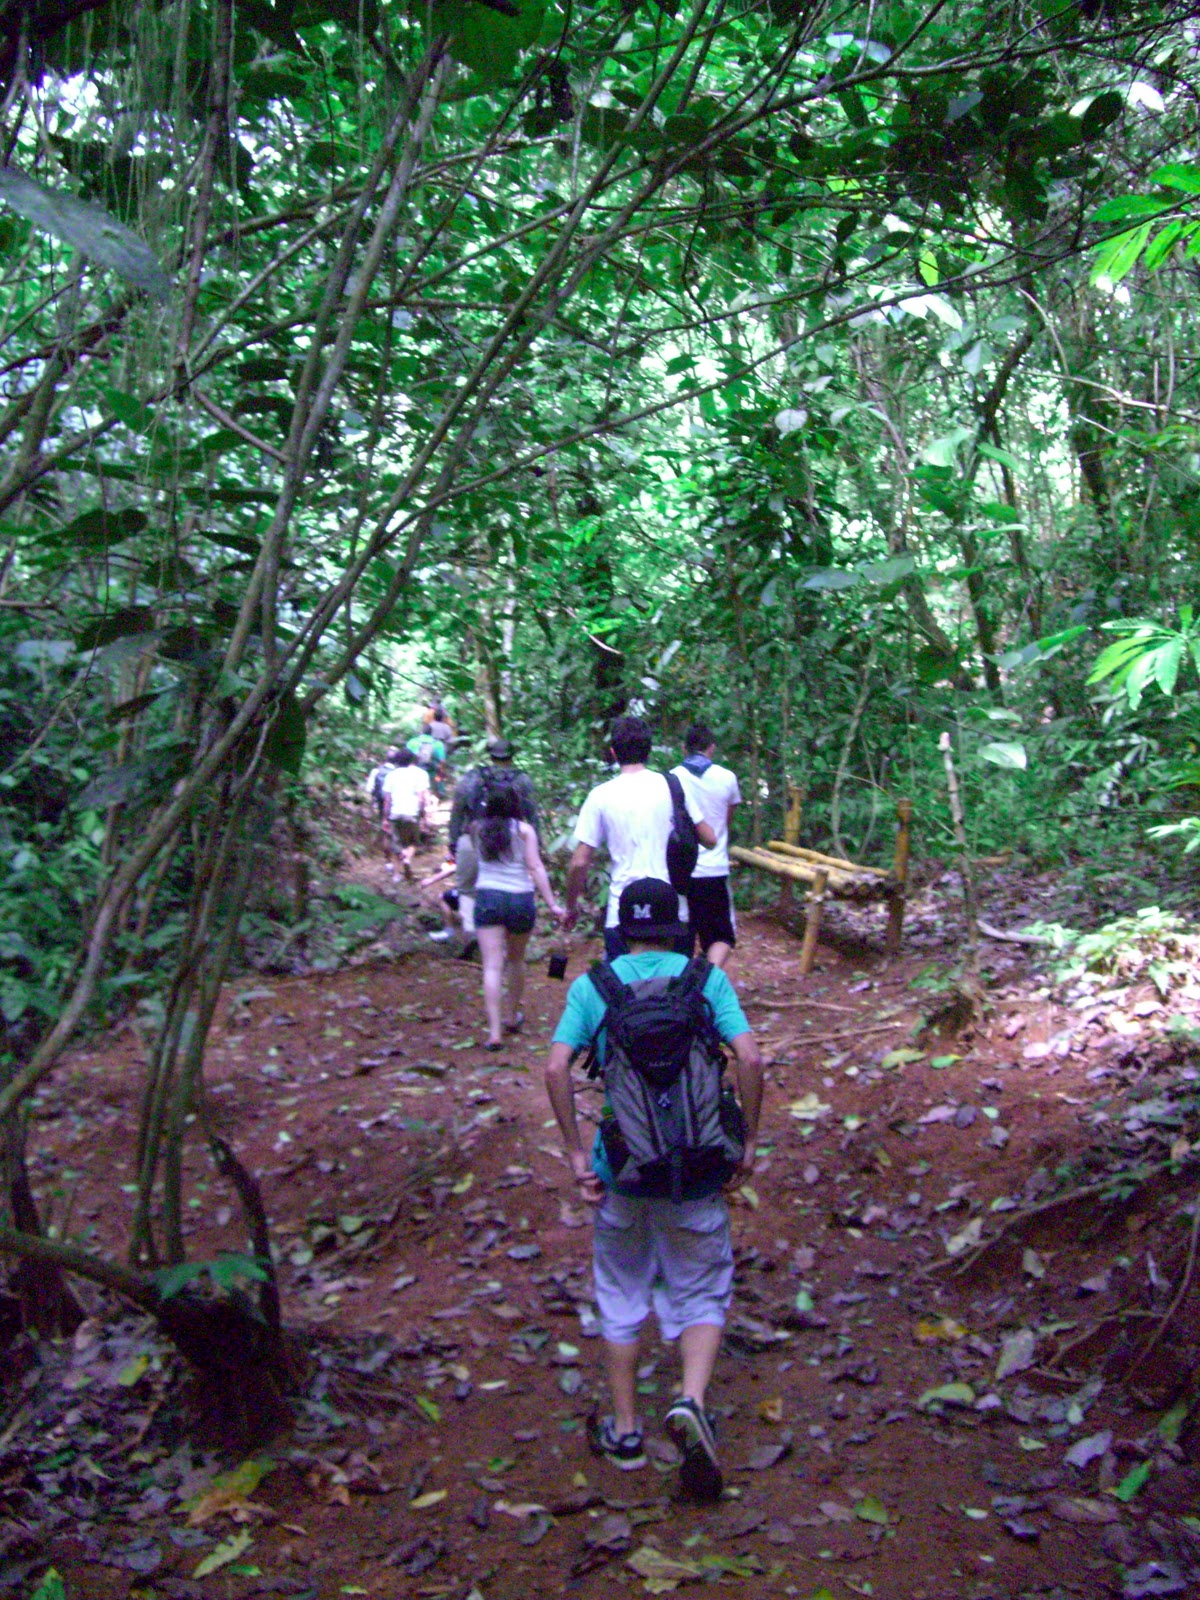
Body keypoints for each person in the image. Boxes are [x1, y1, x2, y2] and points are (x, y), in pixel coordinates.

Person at [545, 877, 763, 1502]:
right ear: (677, 929)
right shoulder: (705, 981)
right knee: (701, 1288)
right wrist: (748, 1142)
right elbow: (751, 1059)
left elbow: (555, 1067)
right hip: (697, 1167)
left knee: (620, 1290)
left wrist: (576, 1153)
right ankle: (690, 1401)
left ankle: (626, 1431)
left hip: (624, 1171)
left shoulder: (595, 986)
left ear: (623, 930)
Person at [563, 715, 715, 960]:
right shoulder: (675, 787)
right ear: (649, 750)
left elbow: (579, 862)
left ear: (613, 753)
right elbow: (709, 839)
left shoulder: (600, 796)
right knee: (674, 982)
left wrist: (571, 907)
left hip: (623, 913)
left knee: (624, 983)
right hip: (673, 910)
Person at [472, 783, 563, 1049]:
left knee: (492, 966)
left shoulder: (477, 829)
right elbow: (534, 866)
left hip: (488, 897)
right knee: (516, 959)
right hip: (519, 899)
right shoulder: (524, 831)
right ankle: (512, 1016)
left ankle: (494, 1032)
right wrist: (552, 904)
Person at [672, 723, 742, 969]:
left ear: (684, 748)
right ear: (711, 748)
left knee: (681, 937)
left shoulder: (671, 779)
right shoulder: (728, 778)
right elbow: (726, 821)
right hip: (714, 869)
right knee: (721, 937)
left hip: (680, 873)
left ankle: (679, 984)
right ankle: (707, 980)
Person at [449, 737, 539, 853]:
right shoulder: (522, 780)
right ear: (511, 757)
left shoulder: (473, 776)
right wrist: (537, 846)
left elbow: (458, 810)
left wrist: (454, 842)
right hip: (512, 840)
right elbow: (533, 815)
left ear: (491, 757)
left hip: (477, 838)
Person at [382, 748, 430, 880]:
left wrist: (385, 818)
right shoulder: (419, 774)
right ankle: (407, 858)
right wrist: (423, 816)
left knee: (396, 843)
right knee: (414, 841)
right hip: (412, 812)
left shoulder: (391, 775)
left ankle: (397, 874)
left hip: (395, 813)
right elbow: (421, 798)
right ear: (412, 760)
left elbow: (387, 800)